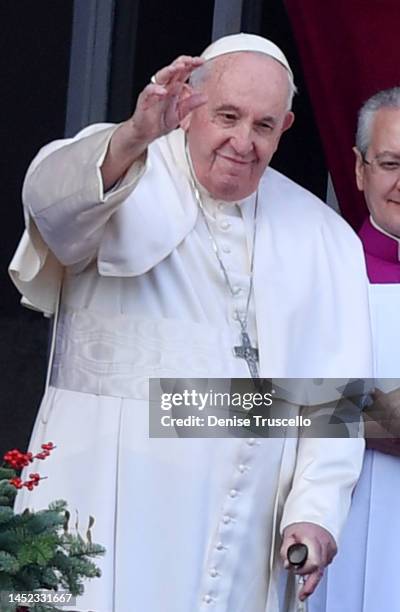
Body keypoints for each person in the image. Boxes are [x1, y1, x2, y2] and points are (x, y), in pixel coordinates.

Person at [9, 33, 373, 612]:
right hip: (100, 504)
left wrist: (315, 513)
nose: (242, 142)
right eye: (227, 116)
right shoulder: (121, 167)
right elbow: (50, 207)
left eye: (264, 125)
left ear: (286, 127)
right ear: (188, 105)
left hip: (246, 535)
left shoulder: (323, 236)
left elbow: (335, 399)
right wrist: (132, 135)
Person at [309, 87, 400, 612]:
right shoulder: (317, 272)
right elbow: (236, 402)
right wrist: (369, 413)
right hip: (338, 518)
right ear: (360, 169)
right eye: (390, 163)